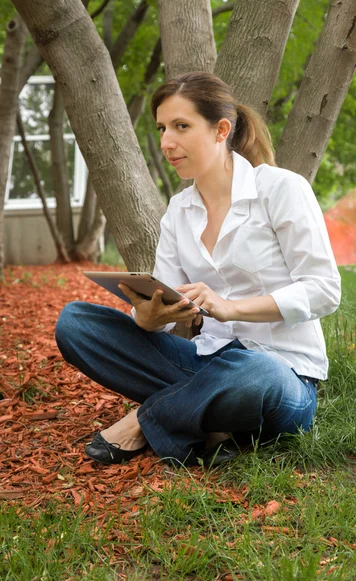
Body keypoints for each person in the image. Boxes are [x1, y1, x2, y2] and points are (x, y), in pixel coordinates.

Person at [55, 72, 341, 468]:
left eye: (181, 126)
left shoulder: (280, 189)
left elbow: (324, 290)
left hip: (282, 376)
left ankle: (145, 418)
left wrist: (231, 308)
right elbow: (171, 310)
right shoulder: (178, 211)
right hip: (205, 363)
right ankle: (210, 422)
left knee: (254, 371)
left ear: (220, 129)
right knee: (77, 323)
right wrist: (150, 317)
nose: (167, 142)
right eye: (161, 128)